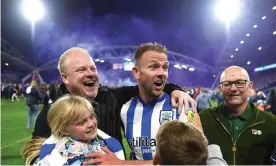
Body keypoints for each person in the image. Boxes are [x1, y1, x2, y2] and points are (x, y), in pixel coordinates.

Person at [22, 47, 196, 164]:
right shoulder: (51, 113)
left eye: (92, 68)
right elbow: (35, 156)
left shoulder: (113, 97)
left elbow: (146, 85)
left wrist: (175, 89)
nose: (90, 74)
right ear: (65, 77)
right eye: (82, 70)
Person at [83, 42, 226, 165]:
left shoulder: (183, 106)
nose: (162, 72)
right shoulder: (124, 109)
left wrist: (122, 164)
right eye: (154, 67)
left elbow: (198, 159)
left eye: (165, 67)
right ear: (136, 73)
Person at [199, 66, 276, 165]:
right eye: (227, 84)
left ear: (250, 86)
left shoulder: (270, 122)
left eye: (240, 83)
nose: (233, 89)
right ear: (220, 89)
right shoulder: (204, 118)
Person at [31, 95, 124, 165]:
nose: (91, 124)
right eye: (82, 122)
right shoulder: (62, 153)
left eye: (91, 117)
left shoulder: (102, 140)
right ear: (64, 130)